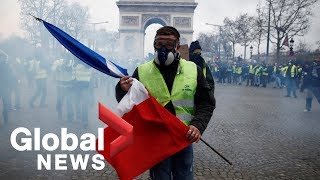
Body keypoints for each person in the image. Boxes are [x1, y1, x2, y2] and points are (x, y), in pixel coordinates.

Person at [115, 26, 215, 180]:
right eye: (159, 43)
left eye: (169, 44)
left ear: (178, 47)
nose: (163, 48)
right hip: (156, 138)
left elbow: (206, 102)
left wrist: (198, 125)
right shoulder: (141, 71)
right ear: (154, 45)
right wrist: (122, 88)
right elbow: (127, 102)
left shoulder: (193, 69)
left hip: (183, 136)